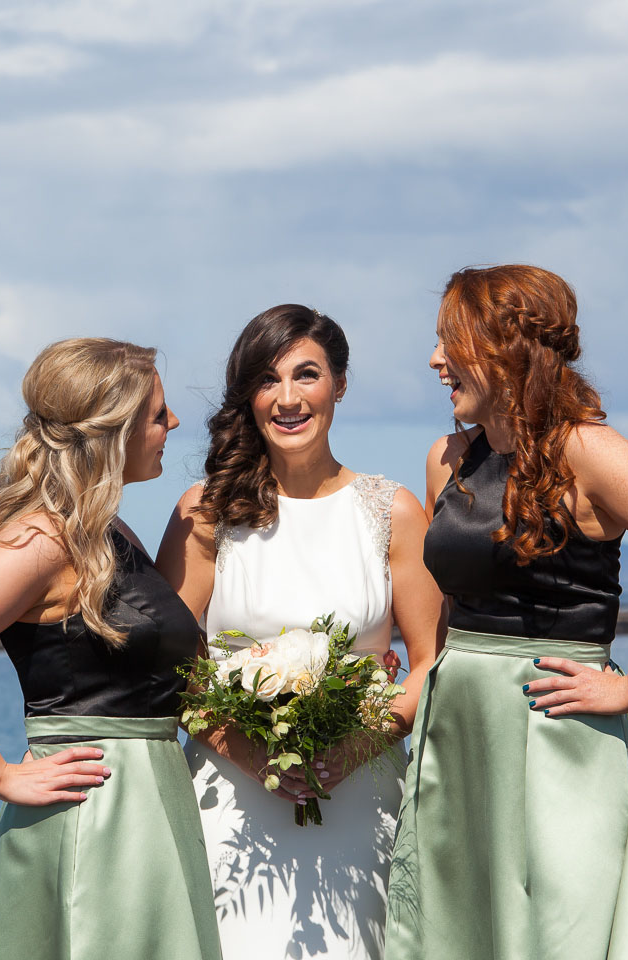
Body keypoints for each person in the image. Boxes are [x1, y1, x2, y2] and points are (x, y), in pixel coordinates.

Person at [386, 265, 628, 960]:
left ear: (505, 347)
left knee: (557, 927)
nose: (434, 361)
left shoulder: (590, 450)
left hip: (553, 722)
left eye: (448, 342)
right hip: (458, 722)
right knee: (456, 925)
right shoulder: (448, 458)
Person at [0, 338, 222, 960]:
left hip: (152, 802)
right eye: (157, 414)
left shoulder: (105, 530)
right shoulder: (43, 537)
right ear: (112, 432)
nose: (173, 424)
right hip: (96, 814)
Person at [157, 304, 444, 960]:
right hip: (228, 797)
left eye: (306, 375)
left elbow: (431, 659)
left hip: (362, 794)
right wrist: (253, 757)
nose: (287, 398)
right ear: (248, 397)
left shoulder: (392, 511)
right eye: (267, 380)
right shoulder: (207, 513)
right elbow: (168, 665)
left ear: (338, 384)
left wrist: (351, 750)